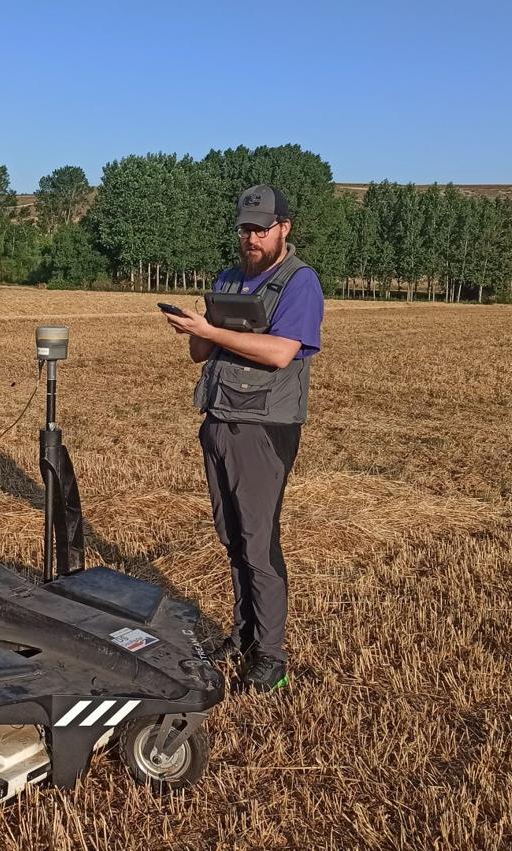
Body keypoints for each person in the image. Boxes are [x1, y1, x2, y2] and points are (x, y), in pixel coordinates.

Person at [164, 184, 324, 692]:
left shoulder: (299, 283)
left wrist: (212, 333)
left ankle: (271, 657)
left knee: (259, 543)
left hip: (264, 430)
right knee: (232, 538)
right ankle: (244, 636)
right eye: (245, 228)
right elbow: (199, 356)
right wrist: (194, 328)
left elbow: (281, 353)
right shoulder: (229, 278)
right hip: (217, 421)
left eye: (261, 228)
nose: (251, 238)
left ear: (284, 228)